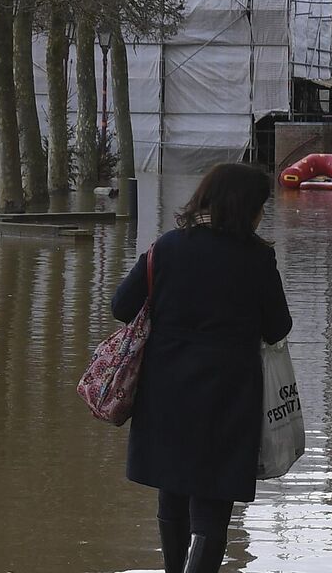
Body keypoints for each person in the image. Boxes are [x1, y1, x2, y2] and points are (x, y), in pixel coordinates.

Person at [110, 162, 294, 573]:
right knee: (213, 502)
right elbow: (279, 326)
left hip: (165, 393)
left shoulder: (167, 247)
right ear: (245, 208)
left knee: (172, 490)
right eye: (261, 206)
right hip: (228, 397)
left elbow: (121, 305)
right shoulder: (257, 259)